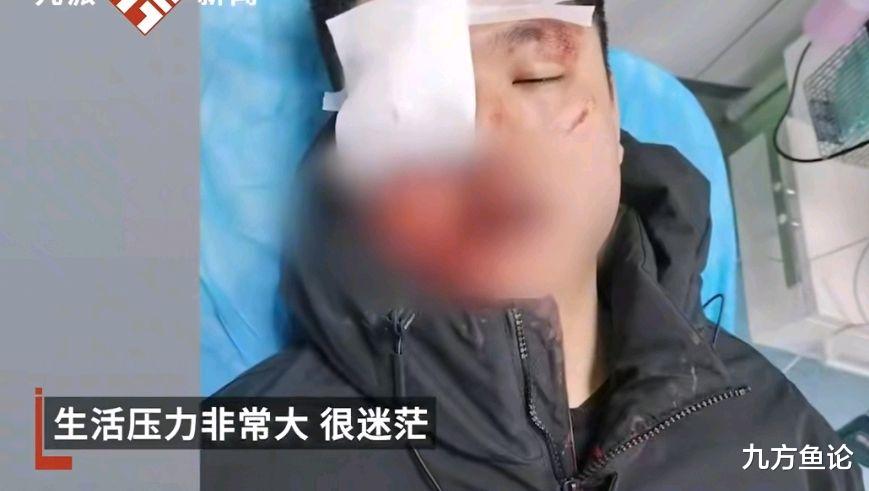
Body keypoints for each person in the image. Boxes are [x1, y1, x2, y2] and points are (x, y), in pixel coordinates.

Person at [201, 1, 865, 489]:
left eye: (537, 77)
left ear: (614, 119)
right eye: (416, 105)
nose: (488, 138)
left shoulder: (788, 446)